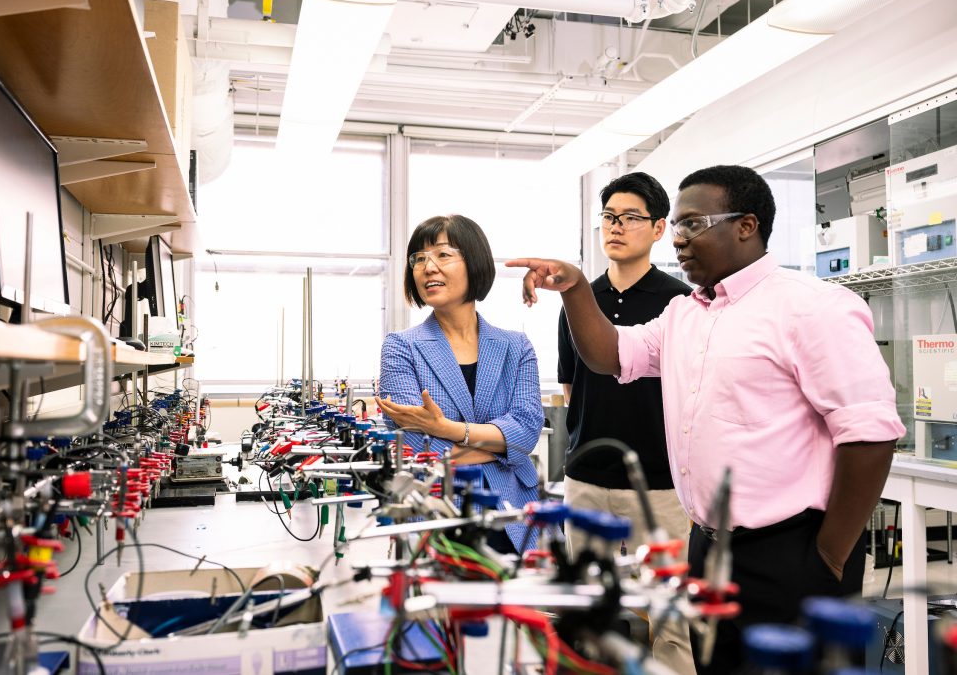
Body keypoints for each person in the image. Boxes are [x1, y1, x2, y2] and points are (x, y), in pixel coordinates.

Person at [508, 165, 904, 674]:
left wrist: (829, 557)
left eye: (693, 224)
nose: (678, 239)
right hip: (709, 546)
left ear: (746, 225)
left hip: (792, 551)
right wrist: (576, 287)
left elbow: (870, 432)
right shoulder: (685, 314)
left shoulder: (812, 307)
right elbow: (611, 354)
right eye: (675, 226)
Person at [558, 172, 694, 673]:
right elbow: (572, 390)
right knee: (587, 607)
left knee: (669, 615)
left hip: (659, 486)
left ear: (659, 228)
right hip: (587, 481)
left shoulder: (680, 303)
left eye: (631, 217)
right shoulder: (578, 300)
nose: (616, 227)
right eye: (609, 217)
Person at [376, 214, 544, 554]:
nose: (427, 267)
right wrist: (499, 448)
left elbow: (526, 431)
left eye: (442, 254)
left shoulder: (515, 346)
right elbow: (416, 449)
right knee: (437, 605)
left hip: (512, 512)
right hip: (435, 509)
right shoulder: (400, 347)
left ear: (474, 262)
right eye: (418, 258)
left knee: (518, 604)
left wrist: (444, 427)